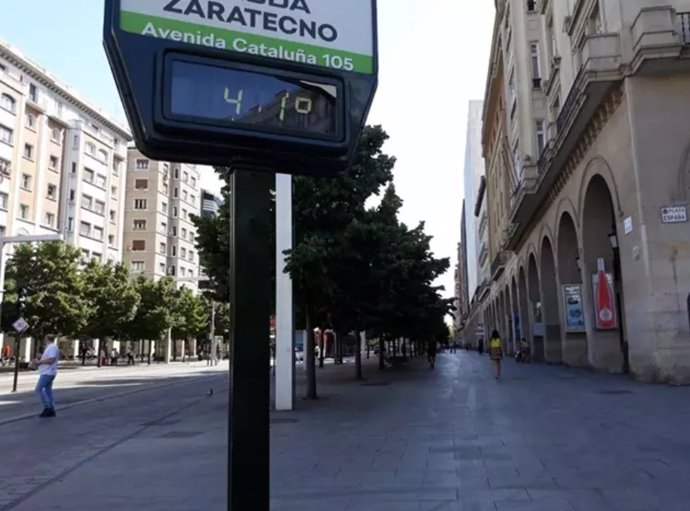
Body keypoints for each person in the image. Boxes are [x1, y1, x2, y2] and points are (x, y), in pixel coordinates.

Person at [31, 334, 60, 418]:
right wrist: (41, 357)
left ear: (47, 339)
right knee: (48, 391)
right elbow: (49, 358)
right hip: (47, 372)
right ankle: (51, 408)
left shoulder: (52, 347)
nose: (44, 340)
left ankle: (48, 407)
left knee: (39, 389)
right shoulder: (50, 347)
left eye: (45, 338)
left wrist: (39, 362)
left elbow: (51, 360)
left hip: (48, 372)